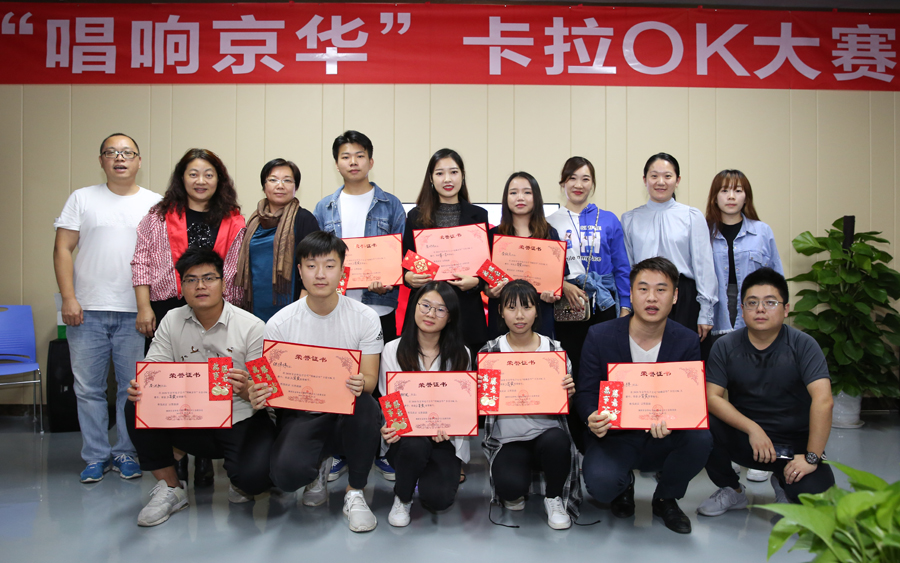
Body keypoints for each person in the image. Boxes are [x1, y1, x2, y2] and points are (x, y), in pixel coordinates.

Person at [124, 248, 276, 526]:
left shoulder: (252, 326)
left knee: (254, 481)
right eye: (191, 280)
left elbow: (267, 389)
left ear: (224, 284)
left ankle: (239, 479)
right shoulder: (172, 319)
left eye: (209, 278)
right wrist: (142, 384)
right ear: (181, 287)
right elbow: (153, 366)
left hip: (239, 417)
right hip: (188, 416)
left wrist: (247, 388)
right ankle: (171, 487)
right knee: (137, 401)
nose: (200, 286)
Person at [254, 231, 384, 533]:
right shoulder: (279, 323)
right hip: (303, 413)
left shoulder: (365, 317)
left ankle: (355, 491)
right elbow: (270, 383)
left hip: (347, 411)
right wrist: (258, 389)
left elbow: (370, 380)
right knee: (285, 476)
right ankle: (317, 467)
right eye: (311, 266)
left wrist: (359, 383)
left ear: (342, 270)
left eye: (329, 265)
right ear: (300, 271)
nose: (320, 274)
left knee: (367, 406)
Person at [132, 147, 245, 487]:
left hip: (215, 308)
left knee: (211, 381)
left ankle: (204, 454)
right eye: (193, 174)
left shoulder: (233, 218)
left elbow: (233, 270)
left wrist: (228, 312)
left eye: (209, 174)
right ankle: (176, 453)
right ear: (181, 178)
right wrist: (144, 306)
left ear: (219, 180)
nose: (201, 180)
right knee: (171, 383)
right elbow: (141, 261)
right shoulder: (158, 216)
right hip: (167, 306)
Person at [576, 257, 713, 534]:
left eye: (661, 290)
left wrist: (675, 420)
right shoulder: (600, 335)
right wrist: (592, 415)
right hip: (615, 436)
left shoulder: (686, 340)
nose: (652, 298)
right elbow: (586, 391)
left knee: (701, 438)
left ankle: (666, 498)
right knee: (601, 486)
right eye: (643, 289)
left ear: (675, 296)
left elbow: (689, 398)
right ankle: (623, 485)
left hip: (664, 434)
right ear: (631, 292)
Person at [53, 133, 161, 483]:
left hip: (136, 311)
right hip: (86, 310)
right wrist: (68, 297)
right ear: (101, 160)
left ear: (139, 161)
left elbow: (160, 259)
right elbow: (63, 249)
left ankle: (127, 452)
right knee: (88, 389)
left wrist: (149, 306)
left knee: (132, 388)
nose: (120, 158)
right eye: (111, 152)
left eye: (127, 153)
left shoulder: (155, 203)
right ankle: (96, 456)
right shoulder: (82, 198)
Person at [697, 268, 835, 517]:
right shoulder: (725, 346)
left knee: (818, 503)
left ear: (786, 309)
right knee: (702, 427)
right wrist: (753, 429)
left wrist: (812, 457)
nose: (760, 309)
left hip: (794, 446)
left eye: (770, 302)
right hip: (747, 441)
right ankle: (732, 489)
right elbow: (711, 397)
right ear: (742, 310)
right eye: (752, 303)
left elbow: (823, 400)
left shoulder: (804, 345)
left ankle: (782, 480)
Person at [313, 131, 406, 482]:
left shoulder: (390, 204)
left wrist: (391, 276)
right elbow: (317, 255)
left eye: (359, 155)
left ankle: (382, 449)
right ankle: (340, 450)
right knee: (338, 379)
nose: (353, 162)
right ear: (336, 163)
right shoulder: (324, 207)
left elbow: (399, 254)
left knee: (380, 383)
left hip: (379, 308)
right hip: (335, 308)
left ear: (370, 160)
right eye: (345, 156)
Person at [704, 169, 784, 482]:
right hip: (716, 317)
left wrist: (776, 312)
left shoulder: (762, 231)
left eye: (738, 190)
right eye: (725, 190)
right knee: (719, 390)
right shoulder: (704, 231)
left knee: (757, 387)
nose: (731, 196)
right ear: (715, 197)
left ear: (746, 196)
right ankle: (733, 452)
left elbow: (776, 276)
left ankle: (761, 453)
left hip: (754, 315)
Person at [479, 280, 579, 530]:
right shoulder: (490, 353)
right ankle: (517, 487)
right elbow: (484, 405)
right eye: (511, 307)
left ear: (537, 310)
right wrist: (481, 392)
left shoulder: (554, 351)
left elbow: (565, 406)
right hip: (509, 440)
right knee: (510, 488)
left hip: (546, 436)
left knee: (558, 441)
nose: (520, 315)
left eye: (527, 307)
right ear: (501, 311)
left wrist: (569, 393)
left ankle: (553, 497)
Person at [547, 157, 631, 451]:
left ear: (593, 184)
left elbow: (622, 266)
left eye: (585, 179)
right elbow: (547, 268)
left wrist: (626, 305)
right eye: (572, 178)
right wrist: (564, 285)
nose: (578, 185)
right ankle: (577, 440)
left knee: (606, 370)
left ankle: (609, 437)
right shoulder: (551, 222)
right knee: (572, 371)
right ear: (562, 183)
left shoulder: (608, 219)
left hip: (604, 303)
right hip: (568, 305)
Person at [379, 281, 471, 527]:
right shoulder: (392, 349)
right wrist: (393, 426)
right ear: (415, 307)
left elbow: (461, 405)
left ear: (450, 317)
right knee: (415, 446)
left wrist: (450, 426)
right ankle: (403, 496)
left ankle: (419, 475)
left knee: (439, 499)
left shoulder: (462, 354)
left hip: (444, 437)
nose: (431, 314)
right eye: (426, 305)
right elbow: (390, 400)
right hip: (406, 438)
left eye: (441, 309)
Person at [403, 148, 489, 359]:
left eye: (454, 172)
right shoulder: (415, 217)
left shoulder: (479, 216)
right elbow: (406, 261)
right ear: (431, 178)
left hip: (466, 310)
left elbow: (487, 266)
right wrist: (409, 277)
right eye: (440, 173)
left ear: (462, 176)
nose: (447, 179)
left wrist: (476, 283)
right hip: (426, 310)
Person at [622, 153, 717, 343]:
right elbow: (628, 266)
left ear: (677, 180)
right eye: (654, 176)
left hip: (683, 296)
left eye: (667, 176)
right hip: (644, 293)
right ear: (645, 180)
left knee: (682, 351)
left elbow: (704, 266)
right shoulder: (630, 219)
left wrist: (706, 312)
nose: (660, 182)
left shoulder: (691, 216)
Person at [234, 158, 319, 323]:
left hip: (292, 305)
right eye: (273, 180)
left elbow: (314, 262)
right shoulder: (253, 222)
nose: (280, 185)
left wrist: (304, 299)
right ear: (264, 186)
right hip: (255, 302)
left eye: (287, 180)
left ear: (296, 187)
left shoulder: (304, 219)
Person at [485, 172, 562, 340]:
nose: (520, 197)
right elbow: (485, 281)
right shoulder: (492, 236)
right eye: (513, 192)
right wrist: (489, 291)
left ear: (536, 197)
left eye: (527, 192)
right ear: (506, 198)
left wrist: (553, 294)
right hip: (502, 317)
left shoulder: (549, 235)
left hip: (540, 313)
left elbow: (558, 279)